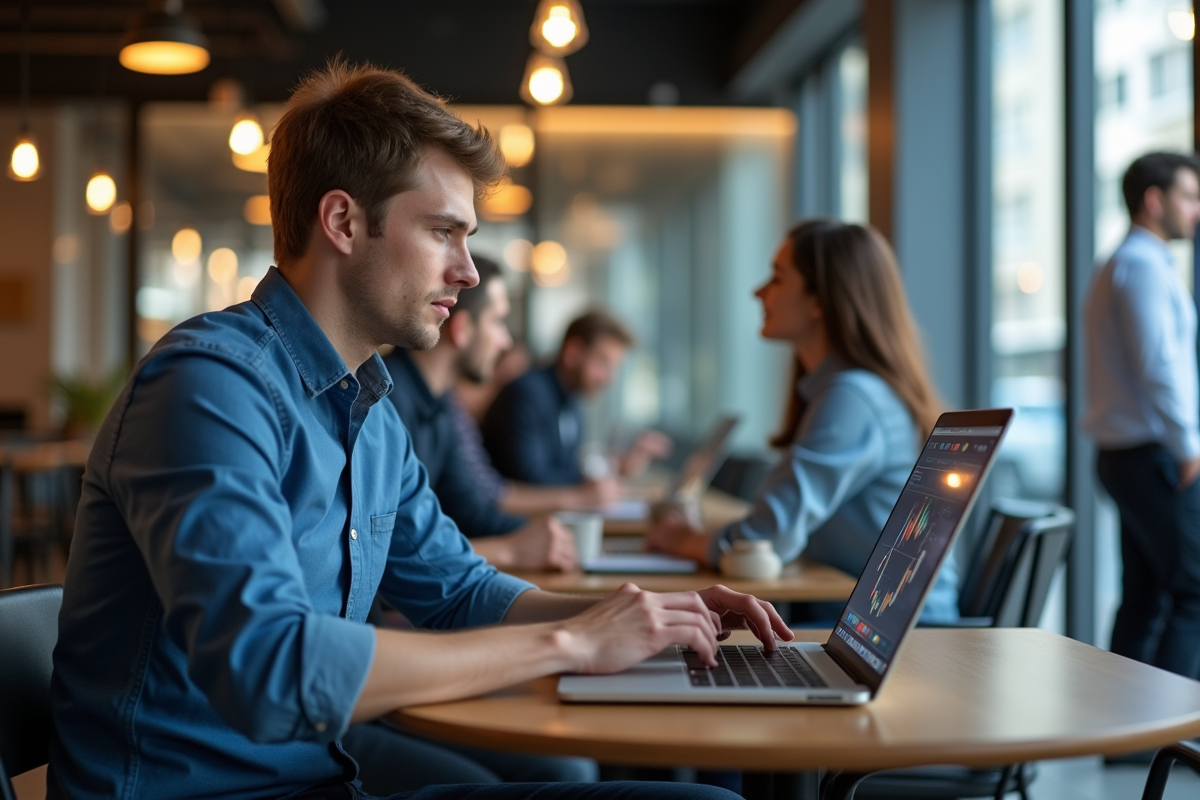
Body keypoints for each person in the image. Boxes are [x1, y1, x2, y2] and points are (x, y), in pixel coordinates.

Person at [47, 59, 790, 800]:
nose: (468, 273)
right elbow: (271, 672)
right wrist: (570, 643)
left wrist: (638, 616)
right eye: (443, 232)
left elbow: (460, 590)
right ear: (343, 222)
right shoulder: (209, 386)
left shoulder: (369, 409)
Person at [645, 219, 960, 623]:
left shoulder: (853, 398)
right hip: (865, 619)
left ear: (819, 301)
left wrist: (683, 539)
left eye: (776, 278)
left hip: (895, 632)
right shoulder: (849, 391)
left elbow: (765, 540)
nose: (758, 292)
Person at [378, 255, 579, 572]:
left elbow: (473, 507)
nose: (506, 341)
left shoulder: (440, 402)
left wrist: (549, 537)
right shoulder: (384, 401)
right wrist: (509, 550)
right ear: (463, 330)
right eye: (498, 322)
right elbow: (382, 554)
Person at [1084, 151, 1200, 680]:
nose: (1196, 210)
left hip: (1127, 456)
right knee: (1192, 590)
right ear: (1155, 201)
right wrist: (1189, 446)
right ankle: (1179, 738)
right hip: (1152, 456)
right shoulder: (1143, 267)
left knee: (1146, 594)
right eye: (1189, 197)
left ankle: (1125, 731)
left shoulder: (1121, 264)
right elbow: (1159, 367)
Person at [481, 310, 671, 490]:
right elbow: (530, 480)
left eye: (614, 368)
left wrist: (616, 467)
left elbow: (567, 471)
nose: (609, 379)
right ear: (573, 352)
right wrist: (603, 476)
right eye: (603, 363)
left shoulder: (573, 403)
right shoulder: (527, 394)